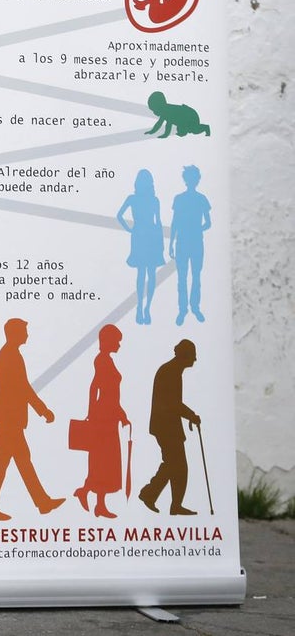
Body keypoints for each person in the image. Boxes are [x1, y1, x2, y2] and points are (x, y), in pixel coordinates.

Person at [0, 318, 65, 520]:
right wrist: (43, 410)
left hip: (10, 420)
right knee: (7, 463)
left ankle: (40, 503)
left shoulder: (11, 354)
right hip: (10, 421)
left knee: (14, 462)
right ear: (15, 333)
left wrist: (42, 410)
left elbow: (22, 387)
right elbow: (23, 388)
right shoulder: (10, 355)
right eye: (24, 331)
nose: (27, 334)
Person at [72, 325, 131, 518]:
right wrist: (92, 414)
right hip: (104, 417)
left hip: (108, 416)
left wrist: (120, 413)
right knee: (102, 461)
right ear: (109, 341)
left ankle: (97, 502)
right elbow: (97, 388)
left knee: (105, 462)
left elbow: (105, 391)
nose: (119, 345)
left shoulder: (106, 360)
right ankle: (87, 493)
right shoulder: (102, 360)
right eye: (117, 341)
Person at [138, 339, 201, 515]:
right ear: (185, 355)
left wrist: (189, 415)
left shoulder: (173, 370)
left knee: (173, 465)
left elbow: (173, 403)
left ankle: (156, 497)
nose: (195, 359)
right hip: (166, 428)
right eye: (193, 355)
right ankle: (156, 497)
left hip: (168, 427)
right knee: (178, 466)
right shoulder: (170, 372)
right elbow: (173, 403)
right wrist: (191, 415)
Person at [116, 169, 165, 325]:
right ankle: (144, 308)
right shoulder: (152, 200)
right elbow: (158, 222)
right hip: (148, 236)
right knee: (149, 273)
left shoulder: (136, 199)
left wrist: (130, 229)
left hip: (141, 235)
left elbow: (119, 216)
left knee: (143, 273)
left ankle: (143, 308)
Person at [169, 165, 211, 326]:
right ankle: (183, 310)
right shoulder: (179, 199)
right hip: (182, 242)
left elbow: (208, 222)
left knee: (196, 276)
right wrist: (171, 243)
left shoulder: (202, 199)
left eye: (194, 178)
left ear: (197, 180)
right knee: (182, 277)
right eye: (190, 178)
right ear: (186, 180)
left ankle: (195, 307)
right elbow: (174, 223)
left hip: (196, 242)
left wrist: (198, 229)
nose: (192, 181)